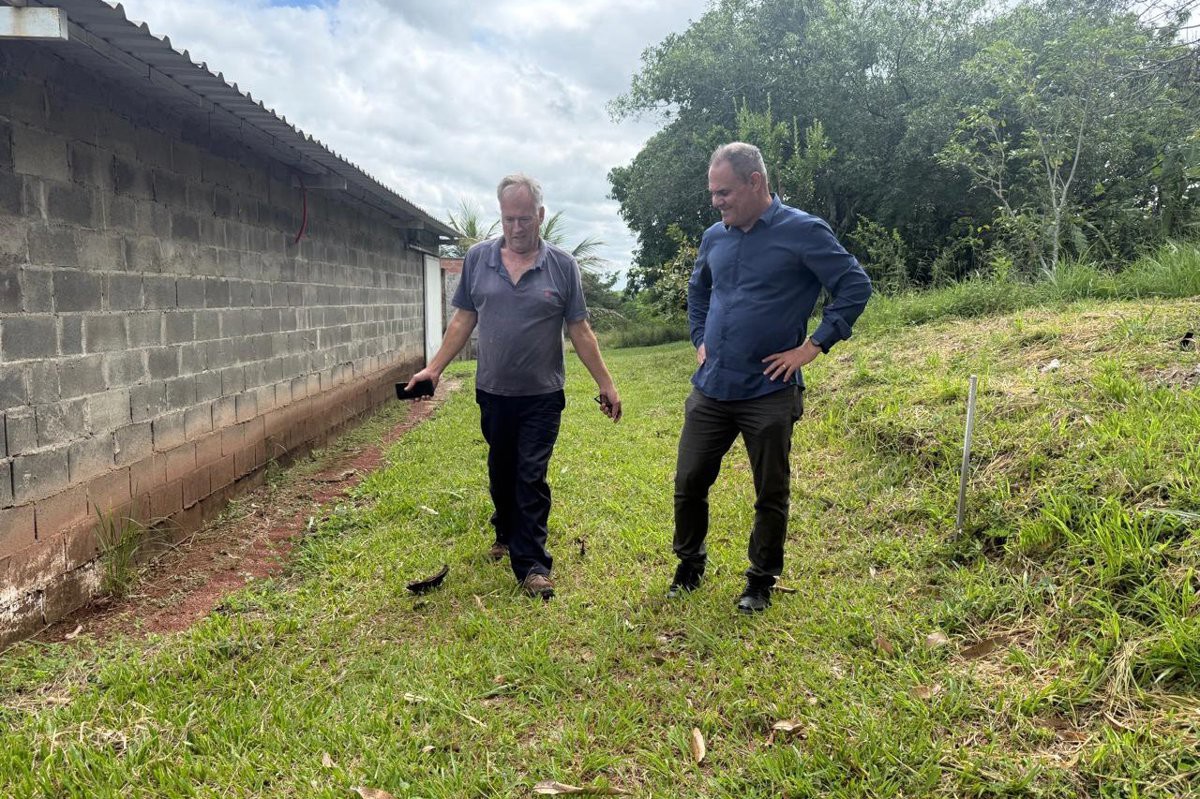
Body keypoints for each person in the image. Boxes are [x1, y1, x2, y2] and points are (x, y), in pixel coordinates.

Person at [669, 142, 872, 613]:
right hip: (712, 386)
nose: (716, 201)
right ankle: (689, 564)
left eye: (724, 192)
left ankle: (760, 579)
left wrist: (812, 346)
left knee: (770, 490)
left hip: (769, 389)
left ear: (755, 182)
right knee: (689, 479)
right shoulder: (713, 237)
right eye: (712, 193)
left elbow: (854, 284)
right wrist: (699, 337)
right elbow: (697, 290)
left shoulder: (802, 231)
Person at [405, 174, 621, 600]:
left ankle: (533, 565)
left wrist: (606, 385)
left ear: (539, 215)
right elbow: (464, 319)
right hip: (493, 392)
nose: (517, 228)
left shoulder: (562, 266)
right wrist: (434, 369)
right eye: (508, 219)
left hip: (542, 394)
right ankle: (504, 532)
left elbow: (580, 330)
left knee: (530, 475)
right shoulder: (478, 259)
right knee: (502, 471)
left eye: (525, 219)